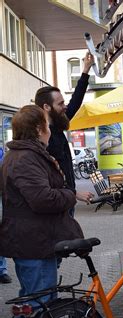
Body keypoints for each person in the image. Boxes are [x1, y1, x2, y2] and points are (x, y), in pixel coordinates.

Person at [0, 105, 84, 307]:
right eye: (47, 124)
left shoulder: (24, 155)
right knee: (42, 305)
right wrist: (70, 194)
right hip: (34, 243)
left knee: (33, 303)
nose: (50, 130)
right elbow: (42, 199)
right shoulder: (26, 158)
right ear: (39, 129)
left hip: (34, 240)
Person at [34, 52, 95, 210]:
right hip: (58, 203)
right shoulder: (41, 137)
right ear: (47, 107)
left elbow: (75, 101)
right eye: (60, 104)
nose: (65, 106)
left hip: (66, 200)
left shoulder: (58, 123)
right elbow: (48, 178)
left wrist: (85, 71)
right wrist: (74, 193)